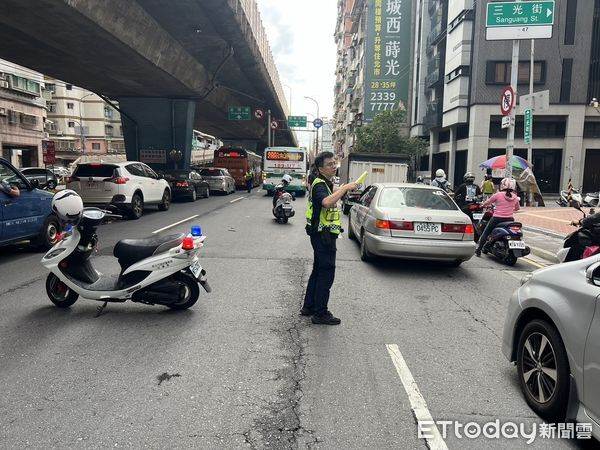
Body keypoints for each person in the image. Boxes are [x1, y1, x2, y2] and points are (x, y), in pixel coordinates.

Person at [302, 151, 358, 325]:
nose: (334, 166)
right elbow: (326, 202)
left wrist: (345, 188)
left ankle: (309, 306)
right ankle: (320, 313)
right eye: (330, 164)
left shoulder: (326, 182)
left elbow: (332, 196)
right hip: (322, 235)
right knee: (326, 272)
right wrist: (344, 188)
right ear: (320, 168)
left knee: (318, 270)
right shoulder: (319, 184)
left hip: (323, 234)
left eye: (335, 163)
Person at [476, 177, 520, 257]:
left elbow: (487, 202)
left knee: (486, 233)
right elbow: (517, 208)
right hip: (510, 219)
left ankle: (479, 250)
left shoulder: (498, 195)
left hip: (497, 218)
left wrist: (482, 205)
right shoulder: (515, 197)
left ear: (502, 185)